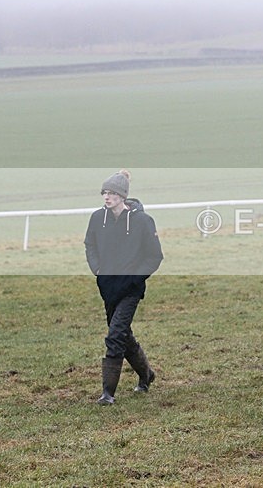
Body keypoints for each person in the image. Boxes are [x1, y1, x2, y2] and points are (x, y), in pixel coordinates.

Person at [84, 169, 163, 405]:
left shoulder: (142, 221)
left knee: (115, 334)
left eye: (111, 193)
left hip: (130, 289)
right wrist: (97, 269)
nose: (106, 197)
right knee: (123, 334)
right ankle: (146, 374)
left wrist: (134, 279)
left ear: (122, 195)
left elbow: (154, 256)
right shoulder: (98, 218)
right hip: (108, 287)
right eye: (104, 193)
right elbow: (90, 245)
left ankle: (108, 393)